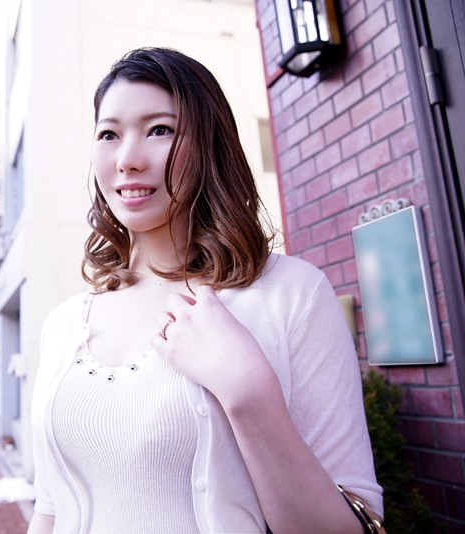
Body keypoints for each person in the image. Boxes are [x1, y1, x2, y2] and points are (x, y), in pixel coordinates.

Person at [27, 47, 384, 534]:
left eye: (160, 130)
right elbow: (49, 510)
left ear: (210, 144)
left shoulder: (289, 294)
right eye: (109, 134)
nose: (128, 160)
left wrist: (248, 392)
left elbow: (350, 524)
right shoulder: (65, 323)